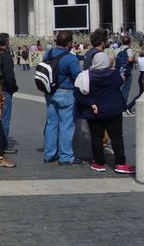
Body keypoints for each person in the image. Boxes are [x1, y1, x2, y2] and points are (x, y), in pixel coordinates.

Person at [74, 52, 135, 174]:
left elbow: (77, 93)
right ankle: (121, 163)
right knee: (117, 137)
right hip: (113, 110)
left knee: (96, 137)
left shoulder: (85, 75)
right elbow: (120, 83)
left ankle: (99, 163)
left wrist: (90, 103)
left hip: (95, 111)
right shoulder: (114, 74)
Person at [43, 30, 83, 165]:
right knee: (66, 125)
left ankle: (49, 154)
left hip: (50, 92)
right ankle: (65, 156)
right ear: (69, 43)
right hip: (66, 92)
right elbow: (78, 77)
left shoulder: (48, 54)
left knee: (51, 123)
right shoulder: (70, 58)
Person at [0, 33, 19, 154]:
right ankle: (3, 144)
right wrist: (13, 88)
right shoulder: (5, 56)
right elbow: (9, 76)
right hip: (4, 89)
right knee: (4, 118)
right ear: (6, 42)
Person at [115, 35, 135, 113]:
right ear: (129, 42)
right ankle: (123, 106)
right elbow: (130, 59)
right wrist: (134, 59)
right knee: (125, 90)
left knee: (118, 90)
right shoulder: (129, 50)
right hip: (126, 72)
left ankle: (117, 105)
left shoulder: (117, 50)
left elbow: (114, 60)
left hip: (118, 72)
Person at [127, 40, 144, 111]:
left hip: (141, 75)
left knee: (141, 94)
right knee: (141, 95)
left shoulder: (139, 58)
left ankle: (130, 106)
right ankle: (129, 106)